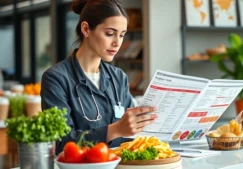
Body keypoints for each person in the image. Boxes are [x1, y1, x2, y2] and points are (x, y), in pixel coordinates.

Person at [41, 0, 157, 155]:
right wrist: (114, 130)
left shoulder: (118, 77)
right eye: (110, 34)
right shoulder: (56, 79)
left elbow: (131, 136)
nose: (117, 43)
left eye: (122, 35)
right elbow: (61, 144)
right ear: (86, 29)